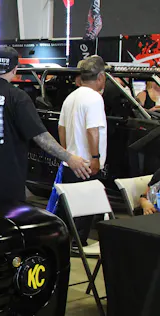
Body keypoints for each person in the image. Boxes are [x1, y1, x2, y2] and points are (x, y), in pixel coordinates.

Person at [0, 46, 91, 201]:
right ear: (14, 69)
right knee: (8, 217)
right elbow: (40, 137)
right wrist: (69, 158)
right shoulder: (17, 97)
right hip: (9, 185)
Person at [57, 55, 108, 245]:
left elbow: (61, 128)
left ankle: (66, 242)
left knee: (69, 209)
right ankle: (78, 245)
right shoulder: (94, 98)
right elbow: (92, 130)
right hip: (86, 164)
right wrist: (95, 157)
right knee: (84, 213)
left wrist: (67, 154)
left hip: (71, 162)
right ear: (101, 77)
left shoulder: (71, 97)